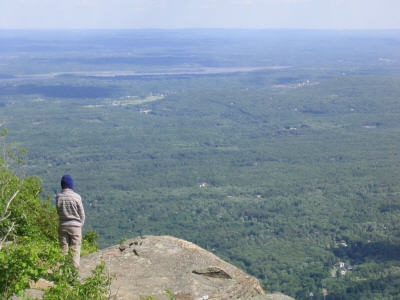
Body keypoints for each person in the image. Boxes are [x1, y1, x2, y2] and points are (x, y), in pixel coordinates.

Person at [56, 174, 85, 270]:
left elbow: (58, 211)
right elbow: (82, 214)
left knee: (64, 249)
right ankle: (74, 274)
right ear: (71, 184)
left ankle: (64, 272)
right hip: (75, 226)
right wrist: (80, 225)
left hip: (62, 225)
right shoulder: (76, 197)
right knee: (75, 249)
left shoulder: (58, 197)